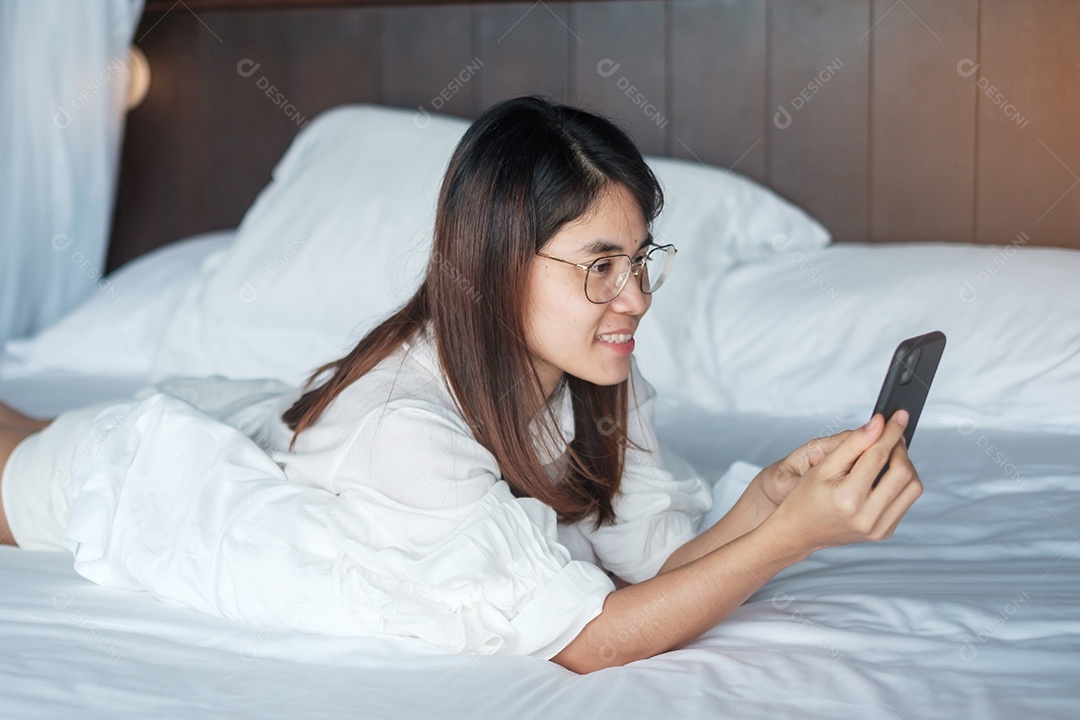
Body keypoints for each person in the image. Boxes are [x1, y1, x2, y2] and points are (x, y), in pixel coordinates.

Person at [0, 96, 922, 673]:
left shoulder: (593, 368)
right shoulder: (410, 429)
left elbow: (652, 572)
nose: (634, 297)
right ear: (499, 262)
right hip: (144, 474)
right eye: (600, 264)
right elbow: (590, 640)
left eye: (641, 260)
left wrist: (771, 501)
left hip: (262, 426)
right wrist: (785, 543)